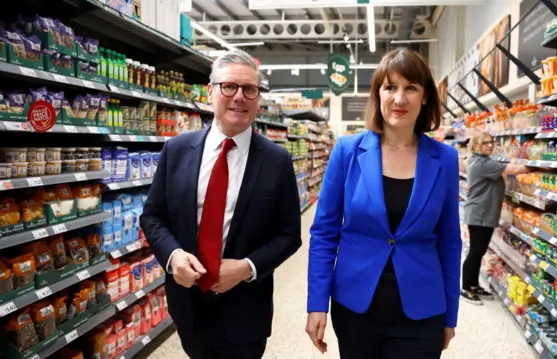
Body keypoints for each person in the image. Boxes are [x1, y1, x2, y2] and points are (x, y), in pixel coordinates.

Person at [140, 49, 302, 359]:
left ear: (258, 98)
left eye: (250, 89)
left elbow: (289, 235)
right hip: (187, 305)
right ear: (211, 92)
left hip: (246, 311)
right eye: (229, 86)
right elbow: (153, 217)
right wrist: (173, 257)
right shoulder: (176, 150)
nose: (239, 96)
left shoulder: (277, 161)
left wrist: (246, 268)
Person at [305, 48, 462, 359]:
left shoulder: (444, 159)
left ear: (425, 97)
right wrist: (316, 304)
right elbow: (324, 233)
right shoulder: (347, 152)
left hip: (422, 308)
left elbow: (449, 242)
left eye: (411, 88)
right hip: (356, 305)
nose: (399, 99)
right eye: (390, 87)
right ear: (378, 94)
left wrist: (450, 315)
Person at [461, 131, 531, 305]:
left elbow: (505, 166)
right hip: (480, 214)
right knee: (475, 252)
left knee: (479, 251)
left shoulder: (482, 161)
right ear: (477, 146)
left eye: (492, 141)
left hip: (483, 213)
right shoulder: (483, 164)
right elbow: (514, 170)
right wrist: (542, 166)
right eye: (486, 143)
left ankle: (474, 285)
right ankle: (465, 288)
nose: (491, 145)